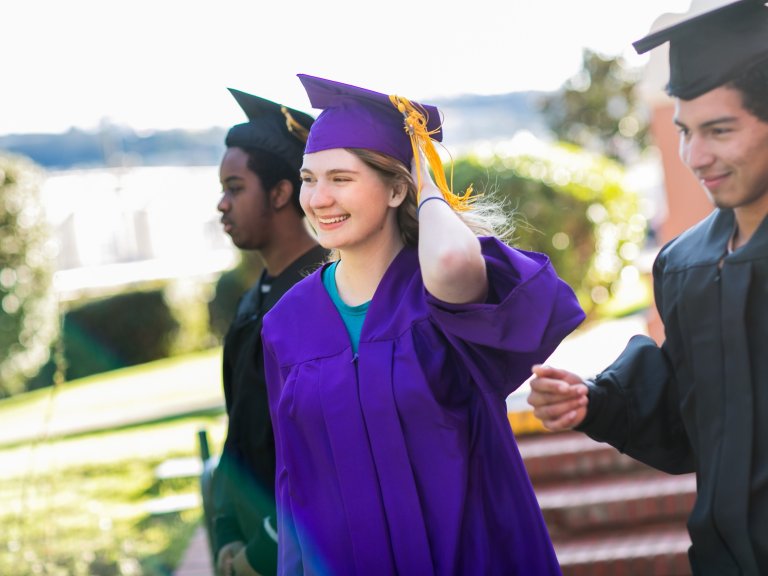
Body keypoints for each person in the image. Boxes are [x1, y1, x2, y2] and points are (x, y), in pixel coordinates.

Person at [260, 73, 585, 576]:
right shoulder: (286, 324)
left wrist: (426, 182)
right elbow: (292, 481)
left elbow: (453, 259)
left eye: (341, 179)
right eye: (308, 179)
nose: (318, 198)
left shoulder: (441, 297)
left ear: (396, 189)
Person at [526, 1, 768, 574]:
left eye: (720, 130)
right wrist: (596, 401)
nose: (695, 156)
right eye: (685, 131)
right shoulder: (686, 264)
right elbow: (690, 422)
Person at [212, 87, 329, 576]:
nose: (222, 204)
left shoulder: (325, 297)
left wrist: (260, 553)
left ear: (281, 193)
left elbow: (322, 457)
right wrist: (225, 532)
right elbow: (239, 430)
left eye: (235, 188)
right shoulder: (254, 299)